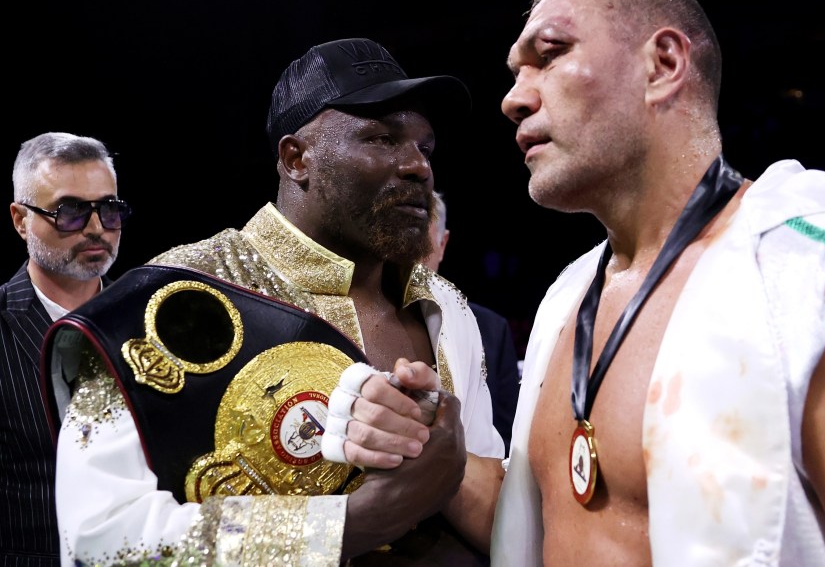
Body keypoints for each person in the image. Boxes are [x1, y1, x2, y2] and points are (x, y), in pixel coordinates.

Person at [487, 0, 825, 566]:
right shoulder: (565, 299)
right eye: (515, 73)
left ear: (662, 65)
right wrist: (437, 457)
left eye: (549, 55)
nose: (514, 98)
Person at [42, 38, 505, 566]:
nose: (417, 166)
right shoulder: (168, 299)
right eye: (381, 138)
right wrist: (347, 525)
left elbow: (487, 490)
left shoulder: (447, 308)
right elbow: (101, 537)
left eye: (425, 148)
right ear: (296, 158)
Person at [1, 132, 129, 566]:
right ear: (21, 220)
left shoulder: (151, 322)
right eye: (70, 211)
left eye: (108, 210)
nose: (96, 228)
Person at [425, 190, 520, 450]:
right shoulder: (365, 318)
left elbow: (510, 436)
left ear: (442, 244)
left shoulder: (491, 329)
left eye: (422, 235)